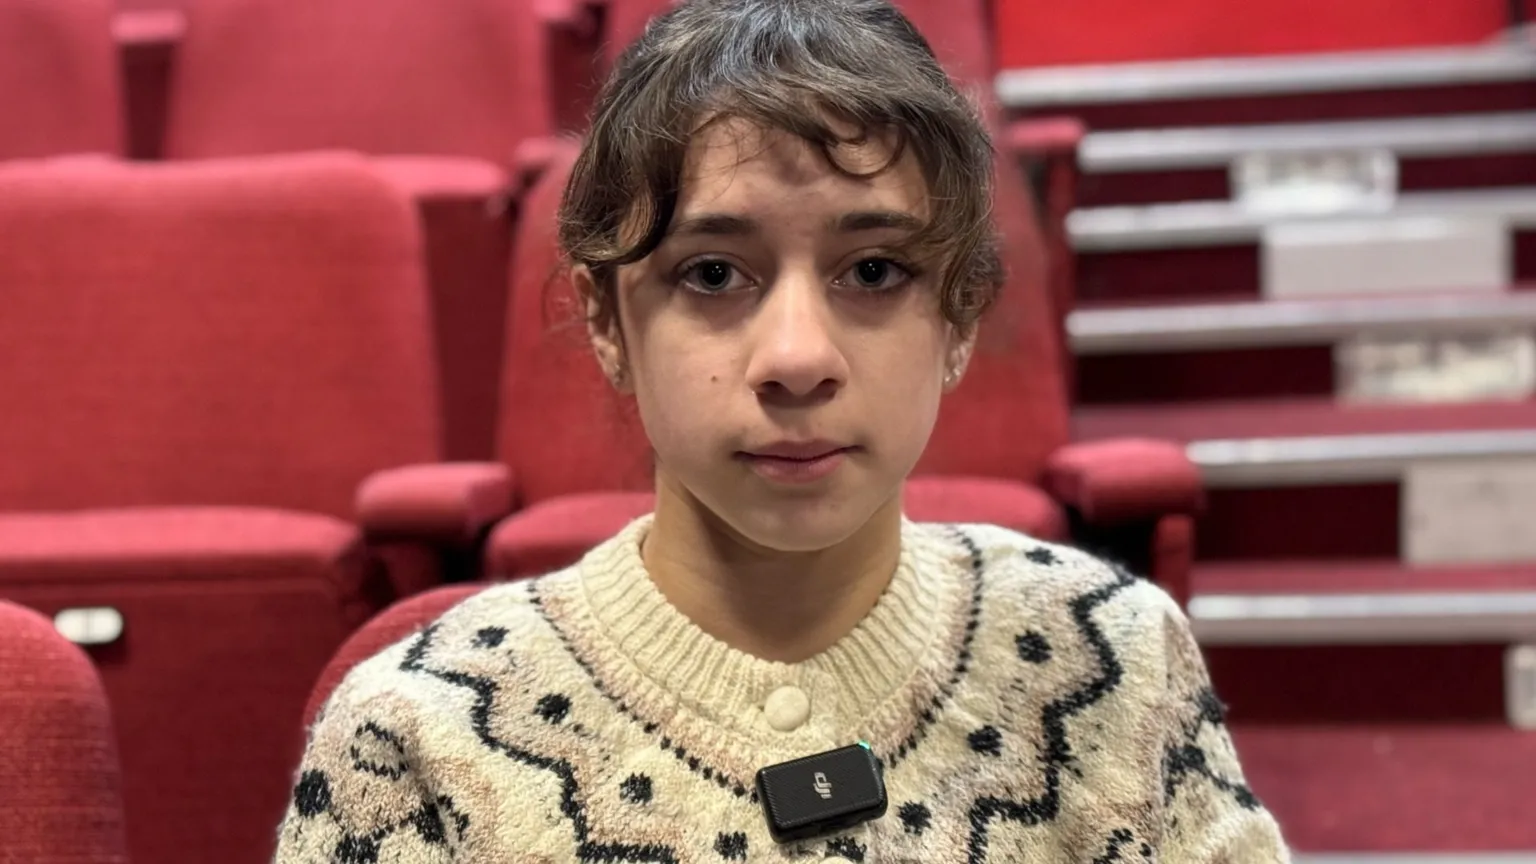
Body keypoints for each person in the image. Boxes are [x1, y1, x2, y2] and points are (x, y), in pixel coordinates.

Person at [271, 0, 1289, 860]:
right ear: (606, 322)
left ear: (961, 317)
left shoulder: (1116, 658)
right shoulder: (418, 734)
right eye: (713, 274)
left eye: (875, 272)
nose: (798, 358)